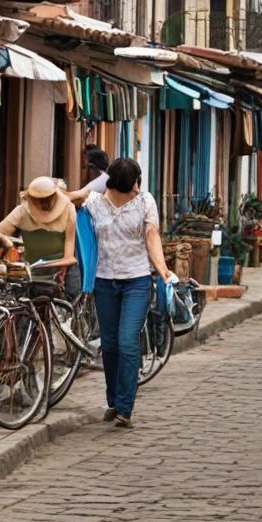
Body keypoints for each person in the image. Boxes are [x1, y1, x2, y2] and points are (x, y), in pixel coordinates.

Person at [83, 157, 174, 428]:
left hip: (136, 280)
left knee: (126, 341)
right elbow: (72, 206)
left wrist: (162, 270)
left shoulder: (145, 201)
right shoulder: (93, 204)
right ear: (122, 183)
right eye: (134, 182)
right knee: (109, 345)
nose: (137, 187)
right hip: (104, 281)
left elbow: (152, 236)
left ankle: (124, 406)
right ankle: (113, 400)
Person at [0, 176, 77, 275]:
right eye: (40, 200)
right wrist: (3, 241)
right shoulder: (22, 211)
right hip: (31, 272)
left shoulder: (68, 209)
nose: (44, 204)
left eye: (47, 199)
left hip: (62, 272)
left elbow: (69, 254)